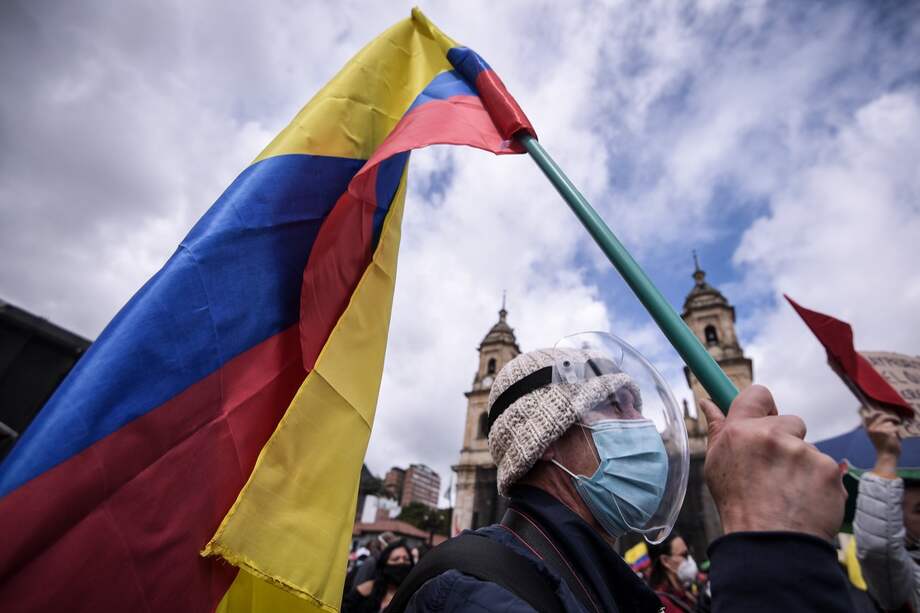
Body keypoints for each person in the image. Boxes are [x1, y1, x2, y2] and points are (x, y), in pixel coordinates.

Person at [388, 336, 854, 612]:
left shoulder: (595, 580)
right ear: (548, 439)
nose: (643, 426)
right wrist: (770, 549)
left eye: (638, 406)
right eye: (617, 407)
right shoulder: (474, 595)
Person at [854, 411, 920, 611]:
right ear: (896, 521)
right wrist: (887, 457)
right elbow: (879, 549)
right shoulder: (903, 577)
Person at [343, 539, 414, 612]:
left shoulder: (413, 596)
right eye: (395, 559)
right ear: (385, 564)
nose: (401, 562)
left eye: (406, 559)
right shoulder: (365, 590)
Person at [647, 533, 697, 612]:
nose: (689, 560)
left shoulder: (686, 595)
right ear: (665, 561)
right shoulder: (661, 604)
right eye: (684, 555)